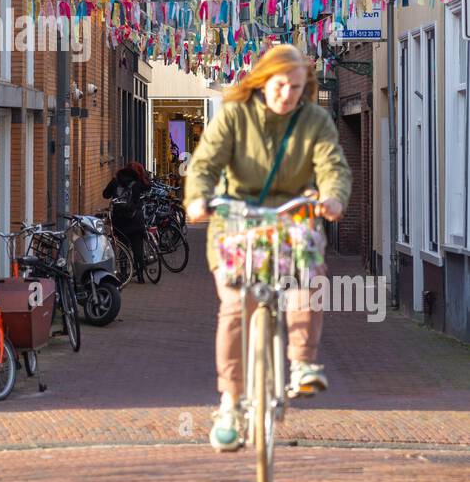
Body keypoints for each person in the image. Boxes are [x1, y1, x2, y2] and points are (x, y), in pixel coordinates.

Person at [185, 44, 351, 453]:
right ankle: (229, 403)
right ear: (263, 82)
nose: (287, 95)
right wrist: (197, 198)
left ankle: (302, 363)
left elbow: (333, 165)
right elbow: (205, 163)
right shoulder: (235, 116)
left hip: (293, 216)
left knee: (308, 277)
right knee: (236, 305)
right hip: (238, 219)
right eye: (280, 86)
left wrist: (332, 197)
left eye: (296, 87)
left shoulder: (314, 120)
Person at [103, 160, 151, 282]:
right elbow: (148, 187)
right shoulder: (137, 183)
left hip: (119, 221)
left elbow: (105, 195)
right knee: (137, 248)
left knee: (123, 246)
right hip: (135, 220)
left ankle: (124, 274)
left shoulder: (115, 181)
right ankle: (140, 276)